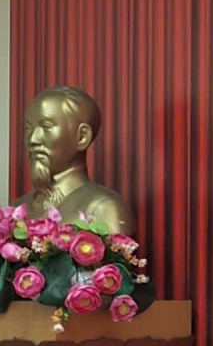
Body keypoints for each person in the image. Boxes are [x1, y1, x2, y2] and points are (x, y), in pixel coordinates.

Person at [12, 83, 134, 237]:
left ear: (82, 137)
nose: (33, 139)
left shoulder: (102, 209)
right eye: (28, 128)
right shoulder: (16, 209)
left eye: (46, 127)